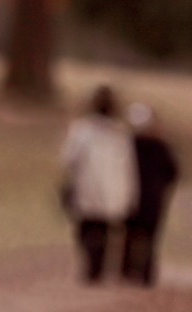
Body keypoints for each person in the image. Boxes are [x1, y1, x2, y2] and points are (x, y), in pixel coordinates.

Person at [60, 85, 139, 283]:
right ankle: (98, 266)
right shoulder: (120, 133)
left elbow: (68, 158)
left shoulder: (82, 130)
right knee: (103, 230)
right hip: (111, 188)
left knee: (87, 228)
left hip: (88, 185)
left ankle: (92, 265)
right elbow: (128, 166)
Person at [121, 103, 179, 286]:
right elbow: (173, 172)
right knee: (149, 237)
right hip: (153, 198)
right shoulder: (160, 146)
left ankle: (127, 271)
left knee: (129, 235)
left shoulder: (127, 145)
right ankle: (145, 273)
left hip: (130, 196)